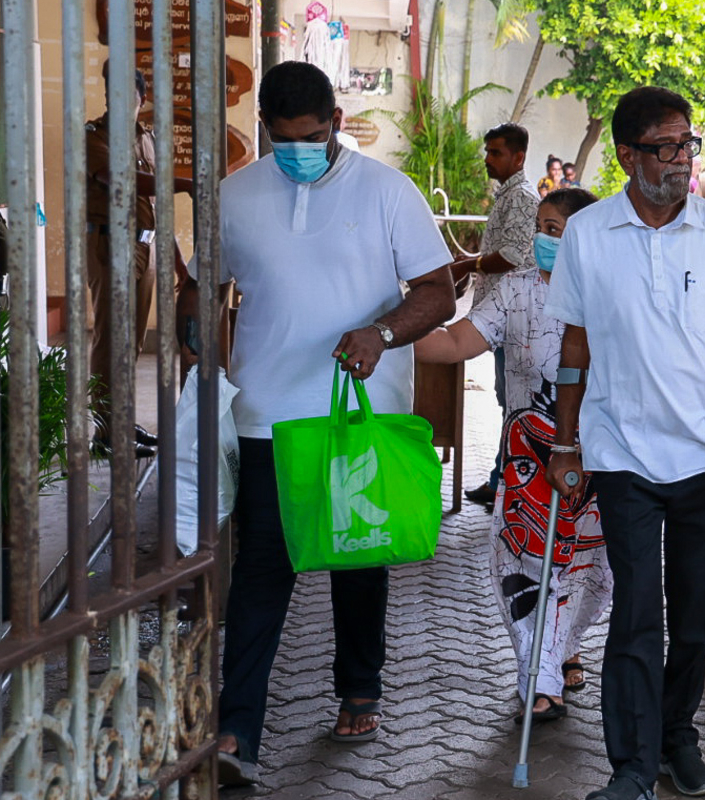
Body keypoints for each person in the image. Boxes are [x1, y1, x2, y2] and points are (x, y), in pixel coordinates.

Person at [182, 61, 456, 786]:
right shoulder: (234, 195)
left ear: (336, 120)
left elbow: (439, 291)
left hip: (357, 416)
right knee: (262, 570)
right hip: (266, 414)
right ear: (263, 128)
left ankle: (360, 685)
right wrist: (195, 342)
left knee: (358, 557)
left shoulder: (388, 191)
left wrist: (383, 334)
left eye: (314, 136)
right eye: (284, 139)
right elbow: (201, 286)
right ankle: (239, 726)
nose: (301, 149)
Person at [543, 86, 705, 800]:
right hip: (621, 454)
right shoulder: (590, 235)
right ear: (627, 155)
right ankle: (628, 765)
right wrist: (565, 444)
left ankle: (676, 740)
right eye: (665, 148)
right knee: (636, 615)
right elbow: (574, 343)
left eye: (688, 144)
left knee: (691, 618)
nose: (683, 160)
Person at [414, 188, 611, 724]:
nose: (546, 239)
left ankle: (562, 647)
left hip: (598, 459)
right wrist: (391, 338)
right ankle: (540, 679)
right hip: (527, 461)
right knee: (526, 564)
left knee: (589, 569)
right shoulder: (515, 291)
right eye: (543, 227)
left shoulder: (611, 293)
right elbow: (457, 344)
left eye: (559, 230)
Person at [86, 61, 193, 457]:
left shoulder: (147, 141)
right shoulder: (94, 136)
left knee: (130, 344)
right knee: (112, 341)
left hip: (145, 248)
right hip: (109, 245)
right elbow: (118, 178)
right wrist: (186, 183)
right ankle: (105, 433)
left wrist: (179, 263)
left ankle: (120, 421)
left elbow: (155, 202)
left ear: (140, 98)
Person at [448, 123, 540, 509]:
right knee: (509, 401)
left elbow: (513, 256)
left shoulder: (521, 196)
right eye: (487, 151)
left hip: (515, 317)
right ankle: (501, 478)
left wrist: (469, 264)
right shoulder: (508, 195)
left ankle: (510, 482)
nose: (488, 159)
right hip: (502, 318)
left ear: (518, 157)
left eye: (496, 153)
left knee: (516, 402)